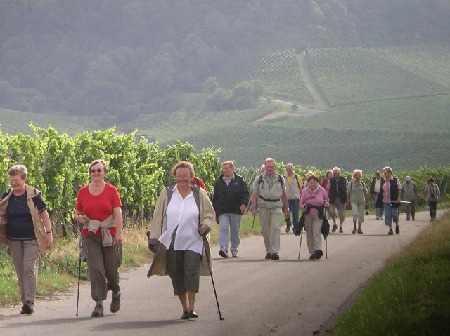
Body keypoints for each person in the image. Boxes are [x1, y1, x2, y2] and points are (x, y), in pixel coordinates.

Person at [147, 161, 216, 320]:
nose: (182, 179)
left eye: (186, 176)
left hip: (193, 241)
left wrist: (205, 226)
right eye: (179, 176)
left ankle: (192, 308)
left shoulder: (199, 194)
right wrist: (154, 239)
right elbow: (158, 216)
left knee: (191, 272)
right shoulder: (167, 193)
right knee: (176, 274)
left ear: (192, 177)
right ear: (174, 176)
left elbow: (209, 214)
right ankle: (184, 308)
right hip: (172, 242)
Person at [0, 164, 53, 315]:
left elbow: (44, 214)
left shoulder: (33, 195)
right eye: (11, 181)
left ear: (24, 179)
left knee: (29, 269)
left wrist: (49, 233)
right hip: (13, 238)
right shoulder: (7, 195)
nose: (13, 183)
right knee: (20, 270)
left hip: (31, 238)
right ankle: (25, 302)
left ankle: (29, 301)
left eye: (16, 180)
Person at [74, 159, 123, 318]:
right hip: (90, 234)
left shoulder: (111, 190)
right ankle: (99, 303)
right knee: (96, 270)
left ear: (104, 173)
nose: (95, 173)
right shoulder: (83, 191)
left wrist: (119, 234)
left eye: (98, 170)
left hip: (109, 234)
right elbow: (77, 212)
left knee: (110, 270)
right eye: (92, 171)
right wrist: (79, 218)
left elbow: (117, 214)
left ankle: (115, 291)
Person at [251, 158, 289, 260]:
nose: (270, 169)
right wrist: (253, 208)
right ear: (265, 167)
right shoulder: (258, 179)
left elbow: (284, 194)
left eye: (271, 167)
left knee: (275, 228)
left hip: (276, 206)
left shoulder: (281, 179)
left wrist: (286, 208)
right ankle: (268, 250)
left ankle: (274, 251)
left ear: (274, 166)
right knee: (266, 230)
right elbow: (254, 194)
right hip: (263, 207)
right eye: (268, 167)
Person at [212, 160, 250, 258]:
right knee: (223, 229)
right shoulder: (218, 182)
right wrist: (215, 212)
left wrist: (244, 204)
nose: (225, 170)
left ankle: (234, 249)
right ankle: (223, 249)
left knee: (234, 230)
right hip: (222, 210)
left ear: (232, 169)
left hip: (235, 210)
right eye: (224, 168)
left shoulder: (240, 181)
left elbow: (245, 194)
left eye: (227, 168)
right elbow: (215, 198)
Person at [300, 174, 329, 260]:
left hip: (318, 214)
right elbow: (301, 202)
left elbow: (326, 200)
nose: (313, 184)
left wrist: (326, 204)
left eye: (314, 182)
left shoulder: (322, 190)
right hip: (308, 214)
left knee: (316, 231)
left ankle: (317, 250)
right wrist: (302, 206)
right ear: (308, 183)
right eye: (311, 182)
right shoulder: (305, 191)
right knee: (309, 233)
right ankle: (312, 252)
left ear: (317, 182)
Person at [346, 170, 368, 234]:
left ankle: (359, 228)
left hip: (361, 201)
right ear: (354, 176)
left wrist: (366, 201)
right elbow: (348, 192)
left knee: (361, 215)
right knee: (355, 213)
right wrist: (347, 201)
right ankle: (355, 227)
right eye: (358, 175)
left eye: (360, 175)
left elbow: (366, 192)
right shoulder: (351, 183)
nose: (359, 177)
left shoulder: (363, 184)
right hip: (353, 201)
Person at [381, 167, 401, 235]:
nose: (384, 174)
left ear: (389, 173)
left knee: (395, 214)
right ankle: (390, 229)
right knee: (388, 215)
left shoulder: (395, 180)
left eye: (385, 173)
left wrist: (398, 198)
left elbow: (399, 189)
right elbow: (382, 190)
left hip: (394, 200)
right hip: (386, 201)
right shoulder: (383, 181)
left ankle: (397, 225)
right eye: (384, 173)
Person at [284, 163, 303, 233]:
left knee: (295, 212)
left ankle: (295, 227)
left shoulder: (297, 177)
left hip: (295, 197)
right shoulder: (283, 177)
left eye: (290, 169)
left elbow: (301, 188)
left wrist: (302, 198)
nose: (288, 170)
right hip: (286, 198)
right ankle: (288, 224)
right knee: (286, 212)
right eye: (287, 169)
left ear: (292, 169)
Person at [328, 167, 347, 233]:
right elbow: (328, 189)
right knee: (331, 211)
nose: (335, 174)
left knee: (341, 214)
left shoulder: (344, 180)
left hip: (341, 198)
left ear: (339, 173)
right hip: (332, 198)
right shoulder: (331, 180)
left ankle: (341, 226)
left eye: (337, 173)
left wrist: (347, 199)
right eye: (334, 173)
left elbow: (346, 190)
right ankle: (334, 223)